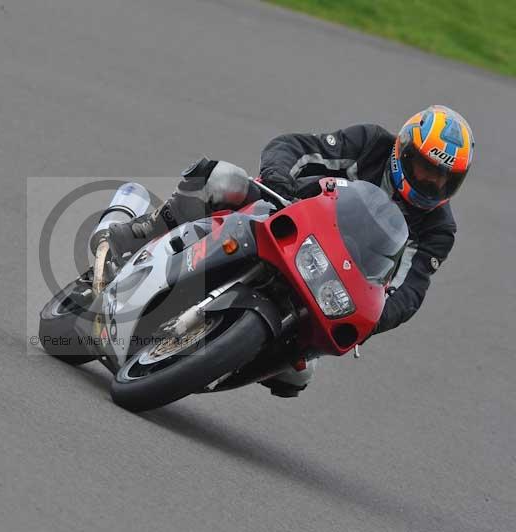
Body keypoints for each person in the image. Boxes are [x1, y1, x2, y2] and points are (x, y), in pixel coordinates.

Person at [107, 105, 474, 397]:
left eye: (443, 177)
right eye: (425, 167)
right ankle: (139, 231)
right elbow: (294, 148)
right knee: (221, 180)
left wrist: (371, 319)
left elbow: (409, 292)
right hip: (289, 216)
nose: (430, 181)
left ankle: (214, 357)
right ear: (403, 151)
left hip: (331, 283)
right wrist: (280, 181)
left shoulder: (438, 229)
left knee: (298, 375)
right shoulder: (371, 143)